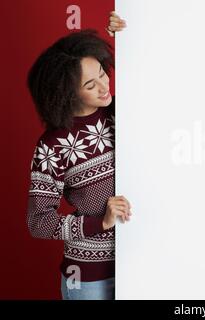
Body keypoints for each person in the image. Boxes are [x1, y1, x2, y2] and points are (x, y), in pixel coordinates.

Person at [27, 14, 129, 300]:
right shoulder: (52, 145)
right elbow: (39, 222)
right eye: (89, 85)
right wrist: (102, 222)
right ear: (67, 94)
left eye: (102, 73)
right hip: (88, 277)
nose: (104, 85)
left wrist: (126, 33)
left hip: (140, 261)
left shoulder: (122, 111)